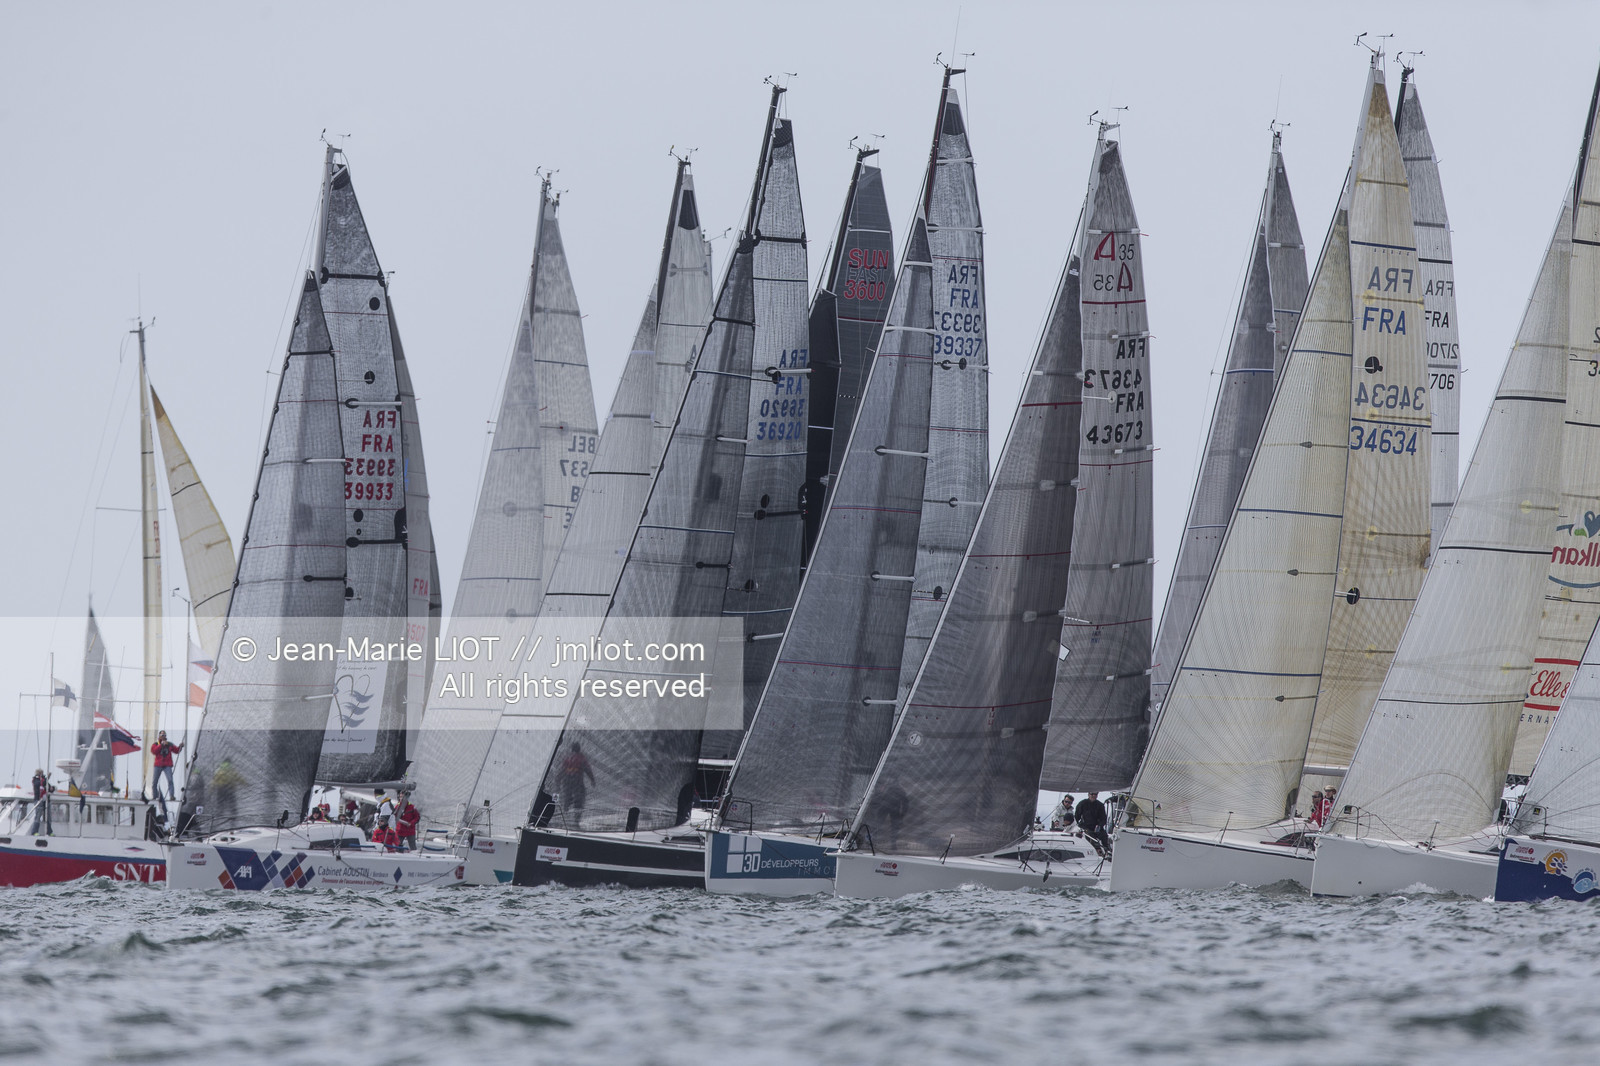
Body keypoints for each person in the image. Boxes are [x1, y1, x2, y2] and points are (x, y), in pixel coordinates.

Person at [557, 743, 596, 824]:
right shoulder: (581, 758)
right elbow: (587, 769)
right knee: (579, 800)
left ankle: (564, 817)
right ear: (579, 749)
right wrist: (592, 780)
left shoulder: (567, 758)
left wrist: (558, 780)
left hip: (566, 782)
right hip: (577, 782)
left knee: (567, 799)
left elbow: (561, 770)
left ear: (572, 749)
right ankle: (576, 821)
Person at [1074, 792, 1112, 858]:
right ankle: (1096, 851)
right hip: (1086, 826)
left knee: (1104, 835)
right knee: (1090, 835)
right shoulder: (1082, 804)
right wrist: (1080, 826)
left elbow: (1103, 818)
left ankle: (1107, 851)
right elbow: (1077, 817)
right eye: (1092, 794)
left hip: (1097, 827)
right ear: (1088, 795)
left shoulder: (1100, 805)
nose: (1093, 796)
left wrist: (1099, 825)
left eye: (1095, 794)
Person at [149, 732, 184, 801]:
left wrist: (180, 746)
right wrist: (161, 745)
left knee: (170, 780)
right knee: (155, 781)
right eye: (162, 735)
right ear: (159, 736)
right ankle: (154, 796)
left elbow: (176, 751)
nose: (163, 737)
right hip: (158, 765)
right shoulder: (155, 744)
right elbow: (154, 751)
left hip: (167, 765)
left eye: (164, 735)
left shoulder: (169, 744)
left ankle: (171, 795)